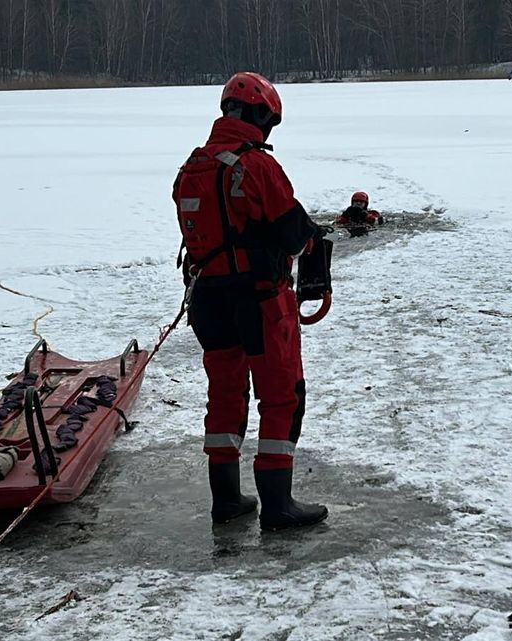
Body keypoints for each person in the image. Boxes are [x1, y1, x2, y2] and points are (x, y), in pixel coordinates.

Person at [172, 71, 329, 532]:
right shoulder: (256, 165)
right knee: (282, 396)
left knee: (225, 392)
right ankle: (278, 505)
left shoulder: (193, 165)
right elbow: (293, 231)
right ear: (264, 118)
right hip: (257, 299)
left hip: (209, 300)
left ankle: (226, 499)